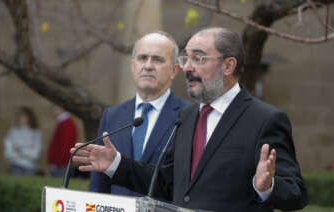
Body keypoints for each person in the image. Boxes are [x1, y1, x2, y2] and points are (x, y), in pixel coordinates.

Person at [71, 27, 308, 212]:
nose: (187, 68)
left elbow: (296, 193)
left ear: (228, 65)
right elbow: (165, 181)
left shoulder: (265, 119)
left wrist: (266, 187)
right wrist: (115, 164)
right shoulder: (187, 116)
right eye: (186, 59)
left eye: (199, 58)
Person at [88, 31, 190, 196]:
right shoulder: (112, 115)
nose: (148, 66)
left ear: (174, 70)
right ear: (133, 65)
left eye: (157, 59)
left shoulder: (189, 116)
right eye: (142, 58)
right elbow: (99, 185)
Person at [4, 106, 42, 175]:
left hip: (31, 167)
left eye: (24, 116)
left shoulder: (36, 134)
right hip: (15, 166)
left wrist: (19, 150)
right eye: (20, 116)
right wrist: (27, 152)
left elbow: (35, 155)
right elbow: (8, 153)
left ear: (30, 118)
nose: (21, 118)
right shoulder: (12, 132)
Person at [47, 105, 78, 177]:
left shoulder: (67, 124)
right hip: (60, 164)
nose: (53, 110)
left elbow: (65, 146)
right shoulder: (63, 123)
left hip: (61, 165)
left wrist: (56, 163)